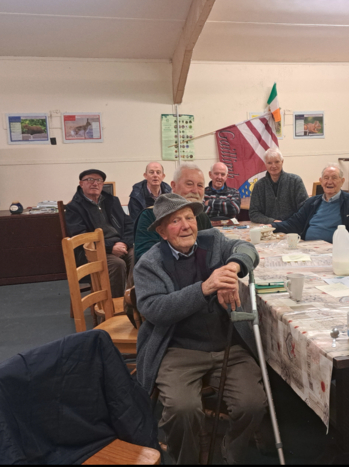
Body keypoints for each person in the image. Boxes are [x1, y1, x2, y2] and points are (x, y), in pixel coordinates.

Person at [134, 193, 265, 464]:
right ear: (161, 231)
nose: (186, 226)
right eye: (175, 221)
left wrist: (232, 265)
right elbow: (155, 310)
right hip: (178, 348)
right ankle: (188, 459)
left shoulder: (213, 241)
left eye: (190, 218)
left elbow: (247, 249)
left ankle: (233, 452)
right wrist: (206, 287)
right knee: (182, 410)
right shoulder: (149, 263)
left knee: (252, 404)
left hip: (227, 342)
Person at [65, 168, 134, 298]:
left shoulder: (112, 201)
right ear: (81, 184)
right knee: (117, 264)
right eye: (89, 179)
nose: (95, 183)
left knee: (139, 256)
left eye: (98, 180)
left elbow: (128, 224)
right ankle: (114, 306)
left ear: (102, 184)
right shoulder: (74, 207)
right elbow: (81, 237)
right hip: (91, 251)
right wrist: (110, 247)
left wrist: (124, 242)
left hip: (120, 245)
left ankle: (131, 300)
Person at [134, 162, 212, 263]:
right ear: (173, 186)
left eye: (200, 185)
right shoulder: (150, 215)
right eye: (189, 184)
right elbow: (144, 258)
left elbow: (215, 247)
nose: (195, 190)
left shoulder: (202, 217)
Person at [272, 164, 349, 242]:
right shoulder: (313, 202)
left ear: (342, 181)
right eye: (326, 178)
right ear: (321, 181)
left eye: (334, 178)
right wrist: (271, 226)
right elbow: (294, 223)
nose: (329, 182)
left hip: (336, 251)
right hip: (308, 248)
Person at [249, 148, 308, 224]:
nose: (273, 166)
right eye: (269, 163)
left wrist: (288, 223)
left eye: (277, 162)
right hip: (268, 229)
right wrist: (273, 222)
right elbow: (254, 214)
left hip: (293, 227)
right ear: (265, 164)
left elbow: (305, 208)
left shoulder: (295, 181)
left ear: (282, 162)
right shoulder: (259, 186)